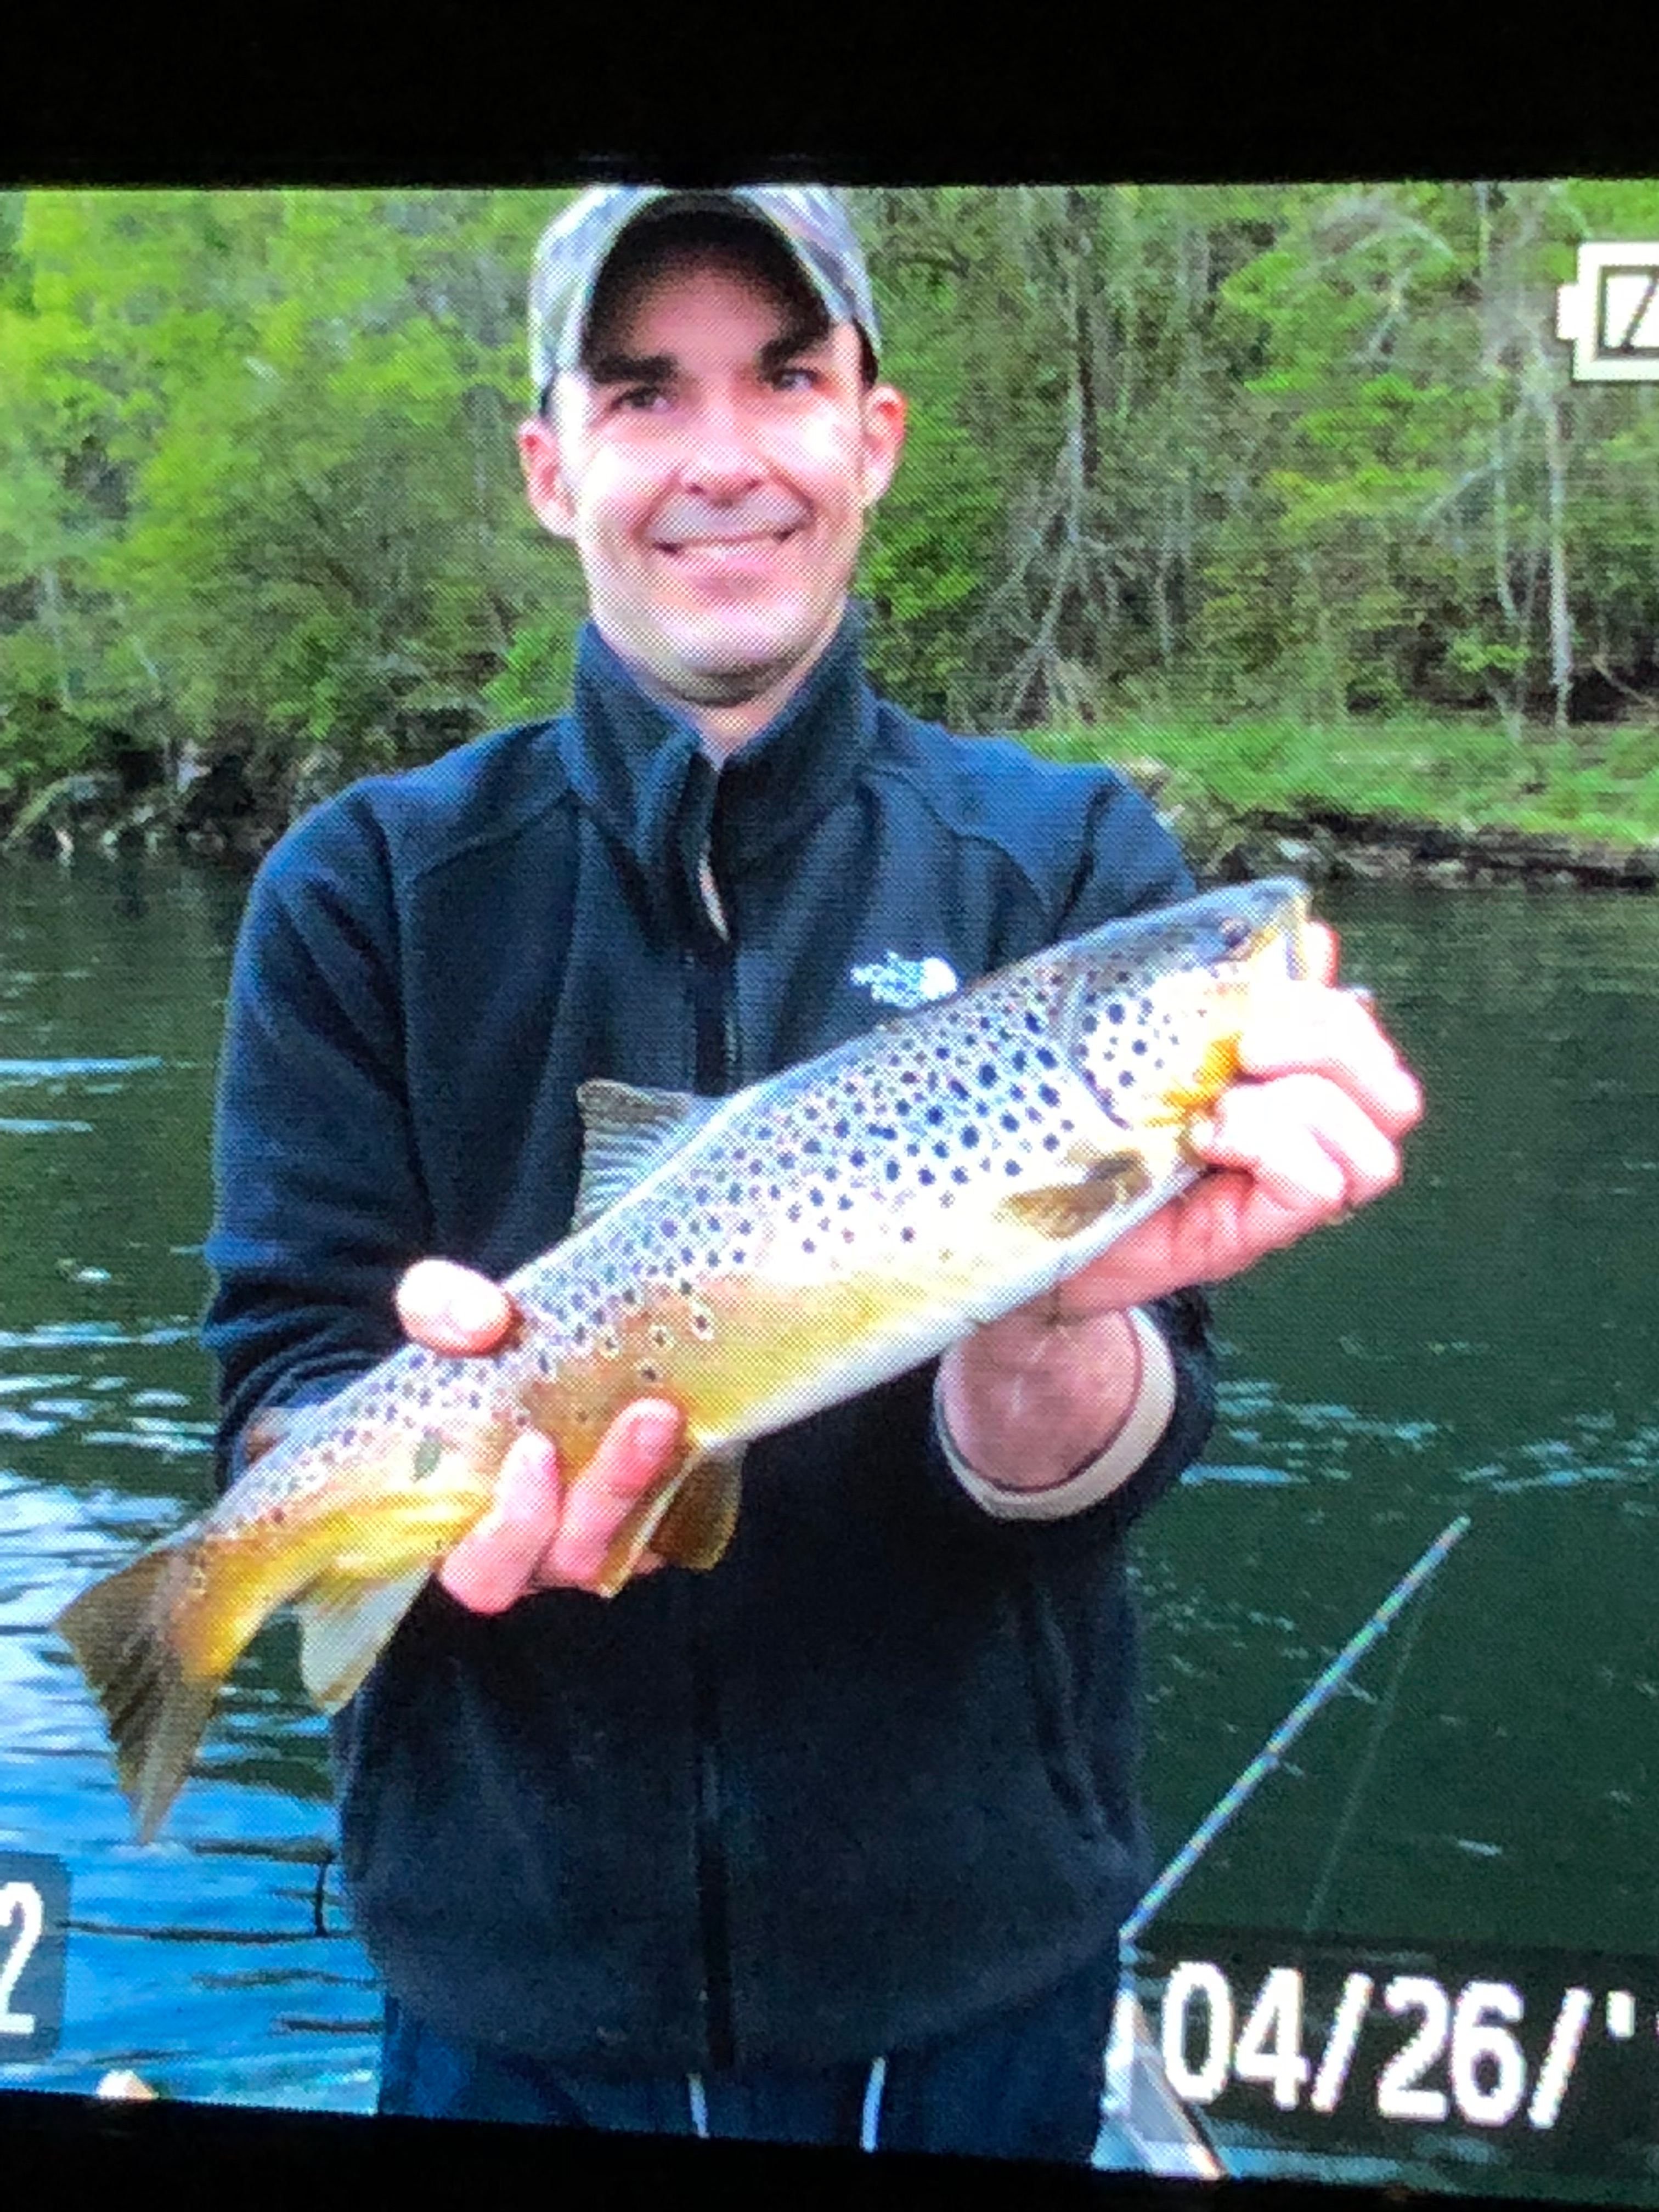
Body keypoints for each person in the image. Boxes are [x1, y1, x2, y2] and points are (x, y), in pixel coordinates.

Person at [202, 185, 1422, 2164]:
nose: (722, 459)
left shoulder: (1077, 864)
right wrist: (377, 1447)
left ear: (875, 432)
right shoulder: (363, 890)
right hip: (502, 1985)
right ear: (549, 467)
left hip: (975, 1984)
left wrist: (1057, 1320)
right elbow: (275, 1371)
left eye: (784, 376)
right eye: (642, 392)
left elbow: (1100, 1459)